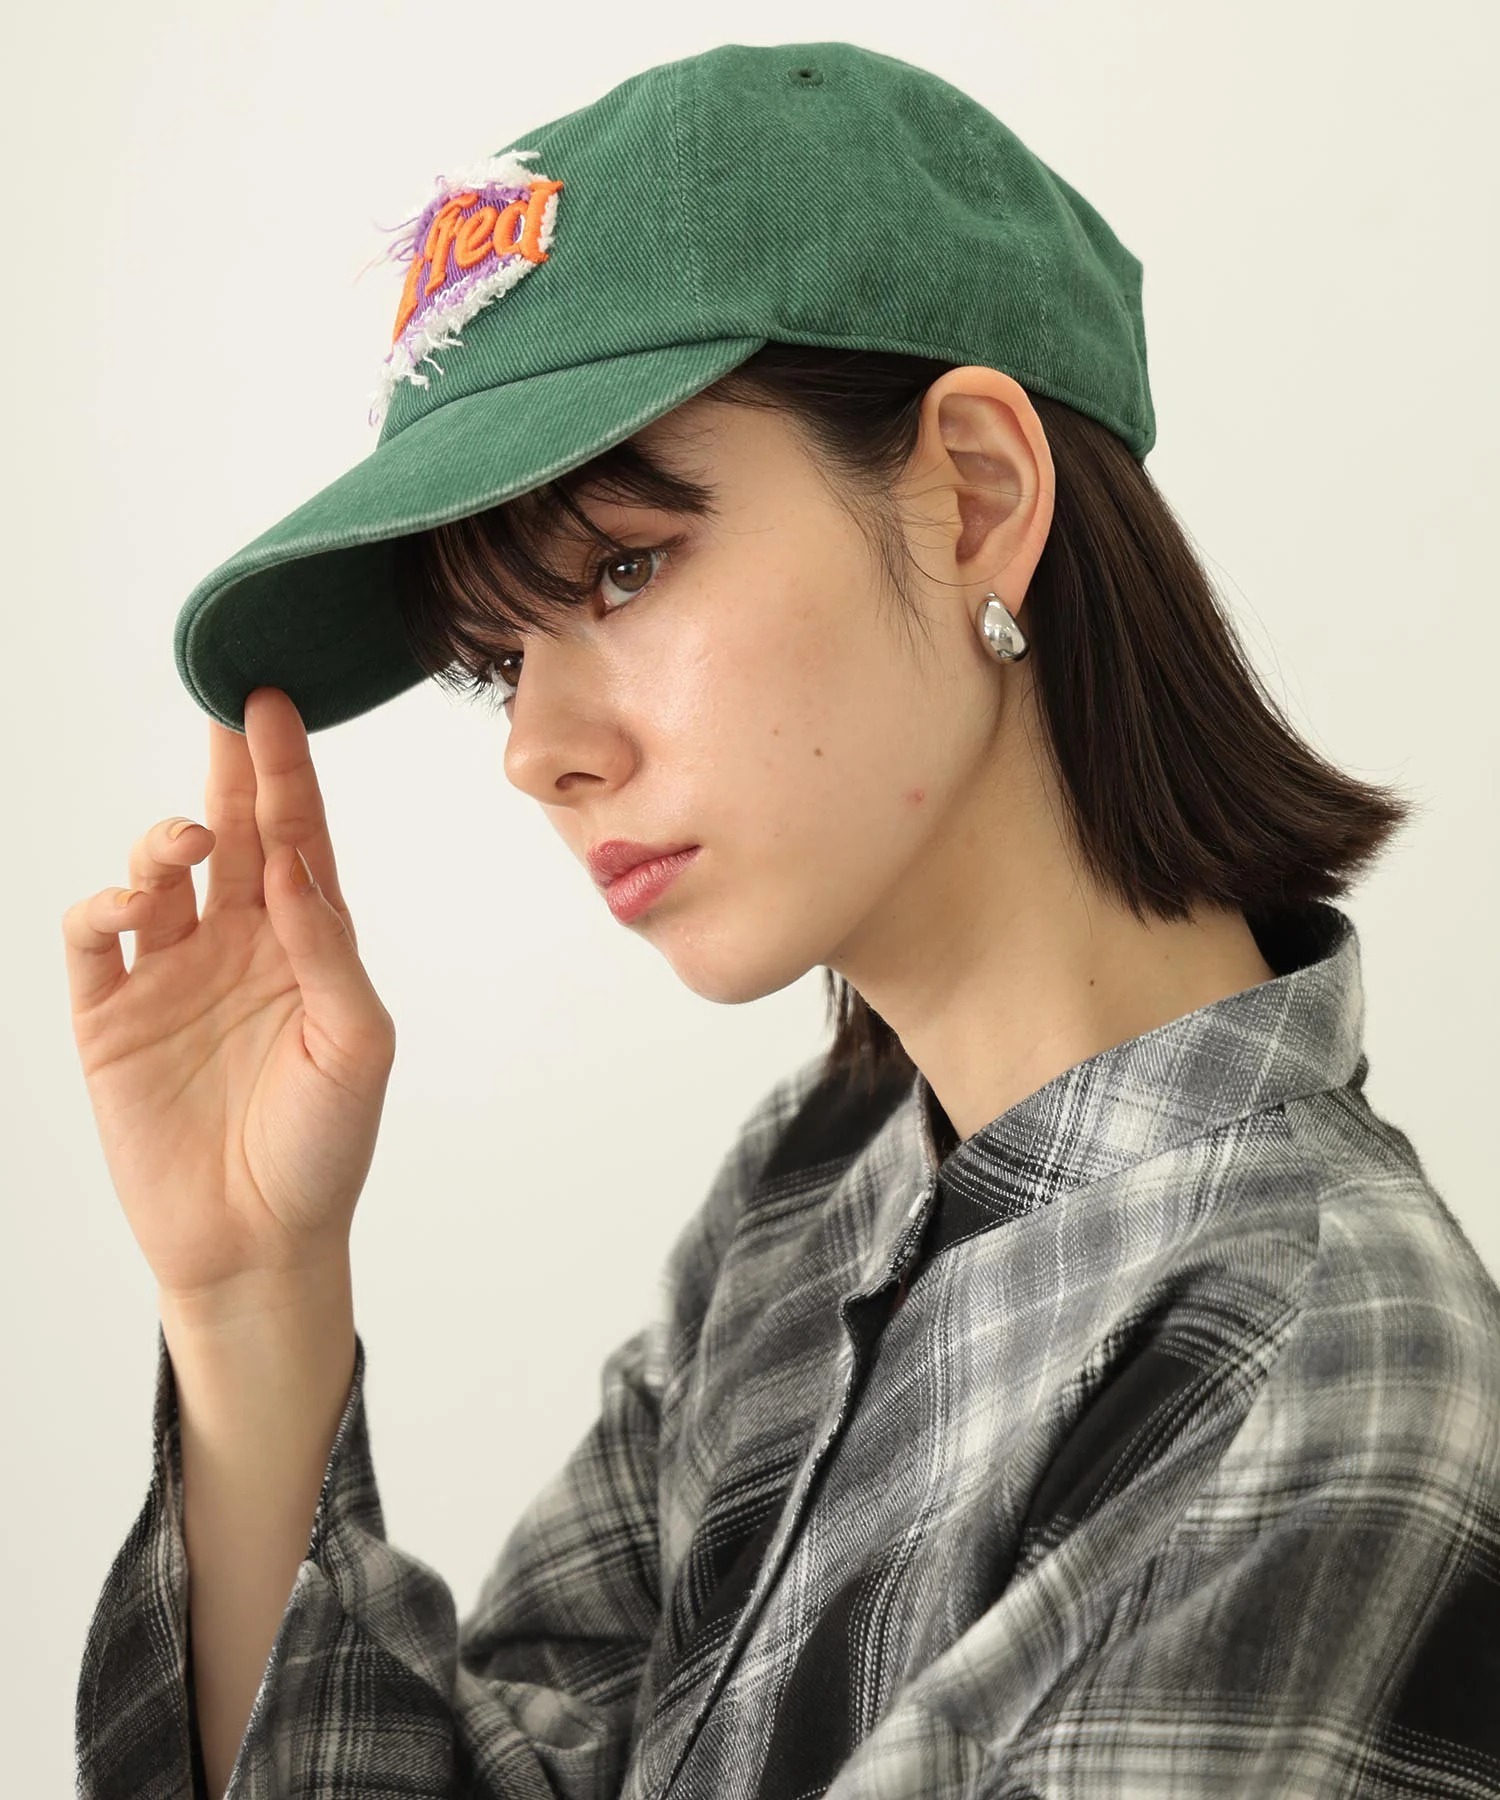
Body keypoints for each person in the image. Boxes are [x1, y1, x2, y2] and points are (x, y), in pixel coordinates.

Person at [64, 39, 1500, 1800]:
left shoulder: (1311, 1358)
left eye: (623, 568)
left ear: (977, 496)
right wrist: (249, 1298)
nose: (537, 749)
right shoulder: (812, 1187)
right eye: (498, 661)